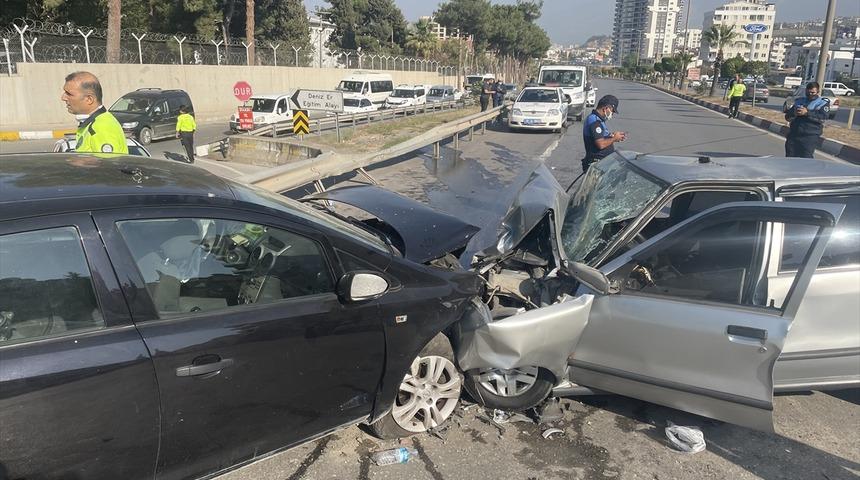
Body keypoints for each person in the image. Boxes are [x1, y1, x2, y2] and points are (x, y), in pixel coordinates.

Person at [61, 71, 128, 154]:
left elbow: (108, 162)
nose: (63, 97)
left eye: (69, 94)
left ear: (89, 99)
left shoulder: (102, 127)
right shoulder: (93, 123)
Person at [784, 81, 830, 158]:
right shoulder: (799, 101)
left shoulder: (822, 103)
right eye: (808, 92)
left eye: (813, 92)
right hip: (794, 133)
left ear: (817, 92)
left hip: (810, 135)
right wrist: (794, 113)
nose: (810, 94)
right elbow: (787, 117)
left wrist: (807, 113)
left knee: (806, 157)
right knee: (790, 156)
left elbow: (823, 117)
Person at [581, 95, 626, 172]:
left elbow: (599, 136)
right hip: (597, 165)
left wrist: (611, 136)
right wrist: (614, 138)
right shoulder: (595, 121)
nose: (612, 114)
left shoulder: (598, 120)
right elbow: (600, 144)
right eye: (612, 111)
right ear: (606, 108)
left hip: (601, 164)